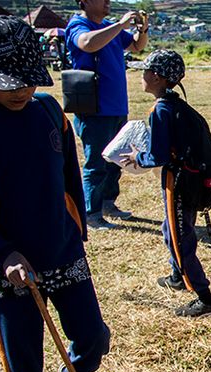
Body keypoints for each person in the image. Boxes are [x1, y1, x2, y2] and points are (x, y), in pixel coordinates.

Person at [0, 16, 110, 372]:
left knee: (92, 334)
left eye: (27, 80)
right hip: (11, 264)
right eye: (8, 83)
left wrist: (76, 226)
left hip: (62, 248)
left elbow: (67, 176)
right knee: (23, 348)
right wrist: (1, 253)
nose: (20, 91)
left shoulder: (47, 111)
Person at [119, 50, 211, 319]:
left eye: (144, 71)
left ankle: (207, 298)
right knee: (172, 228)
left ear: (156, 77)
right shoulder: (178, 105)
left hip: (179, 184)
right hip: (192, 181)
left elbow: (158, 155)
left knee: (180, 239)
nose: (141, 76)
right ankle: (178, 275)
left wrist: (136, 157)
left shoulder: (161, 110)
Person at [65, 0, 148, 230]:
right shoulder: (78, 25)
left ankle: (108, 204)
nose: (107, 2)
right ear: (85, 2)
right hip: (94, 109)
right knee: (96, 163)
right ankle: (91, 213)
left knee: (115, 160)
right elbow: (87, 44)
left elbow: (136, 46)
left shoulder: (111, 27)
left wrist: (142, 29)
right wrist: (121, 25)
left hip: (116, 107)